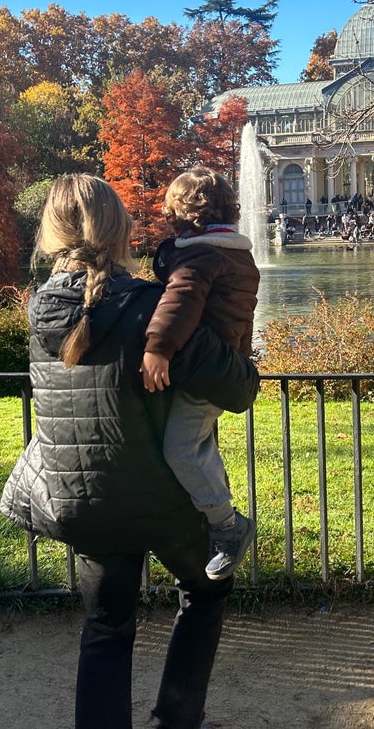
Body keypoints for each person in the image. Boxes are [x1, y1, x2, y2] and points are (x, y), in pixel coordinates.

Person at [1, 175, 260, 729]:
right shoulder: (148, 307)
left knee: (106, 625)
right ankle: (176, 721)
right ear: (121, 231)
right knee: (208, 590)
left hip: (82, 498)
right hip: (159, 496)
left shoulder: (39, 308)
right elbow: (237, 389)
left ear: (51, 234)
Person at [140, 165, 261, 581]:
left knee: (181, 448)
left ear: (183, 214)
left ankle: (227, 525)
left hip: (202, 374)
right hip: (219, 370)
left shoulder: (201, 257)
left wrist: (158, 348)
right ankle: (202, 516)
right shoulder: (234, 253)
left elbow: (182, 302)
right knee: (198, 444)